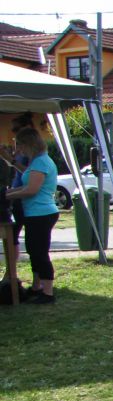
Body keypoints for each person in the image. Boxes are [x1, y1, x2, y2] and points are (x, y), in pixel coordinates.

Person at [2, 127, 59, 304]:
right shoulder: (37, 161)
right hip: (36, 213)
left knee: (39, 252)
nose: (18, 149)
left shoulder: (41, 162)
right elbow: (26, 185)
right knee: (34, 250)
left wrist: (6, 196)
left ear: (29, 144)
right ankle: (37, 287)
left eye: (20, 145)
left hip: (42, 213)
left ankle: (48, 293)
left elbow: (32, 190)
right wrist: (7, 192)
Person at [0, 113, 36, 285]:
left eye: (16, 129)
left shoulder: (33, 153)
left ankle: (35, 281)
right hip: (16, 196)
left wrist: (10, 159)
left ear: (27, 127)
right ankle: (10, 273)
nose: (13, 133)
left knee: (32, 242)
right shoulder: (21, 149)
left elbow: (29, 174)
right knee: (11, 236)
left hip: (26, 199)